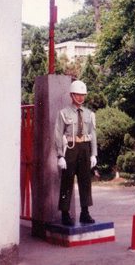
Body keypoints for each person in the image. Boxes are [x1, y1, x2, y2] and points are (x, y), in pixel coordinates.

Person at [54, 80, 97, 226]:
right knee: (67, 180)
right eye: (78, 94)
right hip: (71, 148)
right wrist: (60, 155)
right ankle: (65, 214)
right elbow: (58, 134)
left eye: (83, 95)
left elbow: (93, 134)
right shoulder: (64, 113)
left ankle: (85, 212)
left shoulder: (89, 114)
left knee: (85, 180)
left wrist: (94, 154)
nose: (81, 97)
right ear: (72, 95)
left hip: (84, 147)